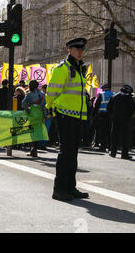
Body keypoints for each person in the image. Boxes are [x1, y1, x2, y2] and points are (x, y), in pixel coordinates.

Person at [46, 37, 90, 202]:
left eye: (82, 49)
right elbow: (51, 92)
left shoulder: (80, 69)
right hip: (65, 115)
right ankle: (59, 189)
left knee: (73, 154)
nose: (80, 52)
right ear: (69, 50)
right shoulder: (62, 69)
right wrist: (52, 108)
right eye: (77, 49)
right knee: (65, 153)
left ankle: (70, 187)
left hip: (77, 116)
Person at [107, 85, 135, 159]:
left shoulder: (114, 96)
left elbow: (108, 107)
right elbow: (132, 108)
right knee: (125, 137)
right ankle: (124, 154)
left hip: (115, 119)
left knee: (114, 136)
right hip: (125, 119)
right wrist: (129, 116)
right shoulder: (129, 97)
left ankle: (113, 153)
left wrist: (112, 115)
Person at [22, 80, 47, 157]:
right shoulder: (42, 94)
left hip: (32, 113)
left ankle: (32, 149)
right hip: (40, 113)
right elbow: (44, 106)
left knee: (31, 131)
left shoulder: (29, 94)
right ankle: (35, 149)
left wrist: (28, 110)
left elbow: (24, 103)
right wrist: (44, 116)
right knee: (37, 131)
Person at [92, 84, 114, 152]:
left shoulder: (101, 94)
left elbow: (97, 105)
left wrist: (94, 114)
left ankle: (103, 147)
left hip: (102, 115)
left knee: (102, 132)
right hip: (110, 115)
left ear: (104, 88)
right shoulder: (113, 94)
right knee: (110, 131)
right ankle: (110, 147)